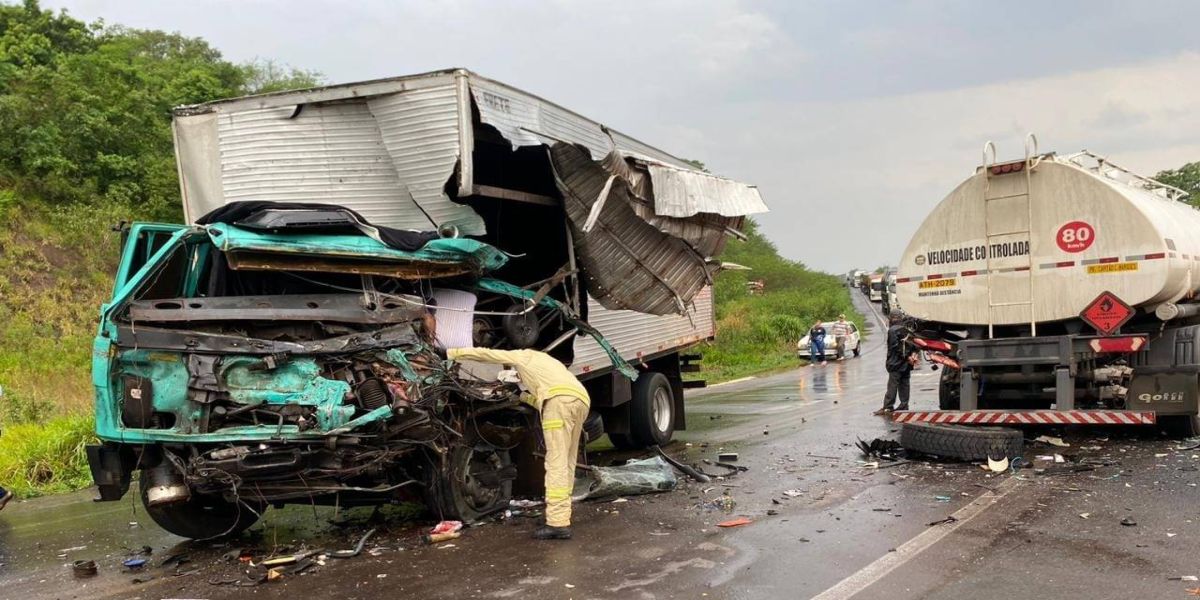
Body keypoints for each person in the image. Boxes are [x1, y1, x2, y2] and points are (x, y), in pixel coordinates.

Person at [446, 347, 589, 540]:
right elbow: (542, 396)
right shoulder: (549, 363)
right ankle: (560, 514)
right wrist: (521, 396)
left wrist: (453, 353)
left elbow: (489, 354)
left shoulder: (523, 356)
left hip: (558, 403)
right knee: (567, 461)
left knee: (556, 462)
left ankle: (557, 524)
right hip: (580, 400)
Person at [874, 313, 918, 415]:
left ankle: (888, 407)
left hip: (896, 363)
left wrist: (905, 356)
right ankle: (904, 405)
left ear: (892, 319)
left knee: (892, 385)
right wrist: (910, 357)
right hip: (907, 364)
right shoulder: (906, 330)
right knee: (905, 385)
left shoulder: (892, 330)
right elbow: (914, 345)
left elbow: (895, 347)